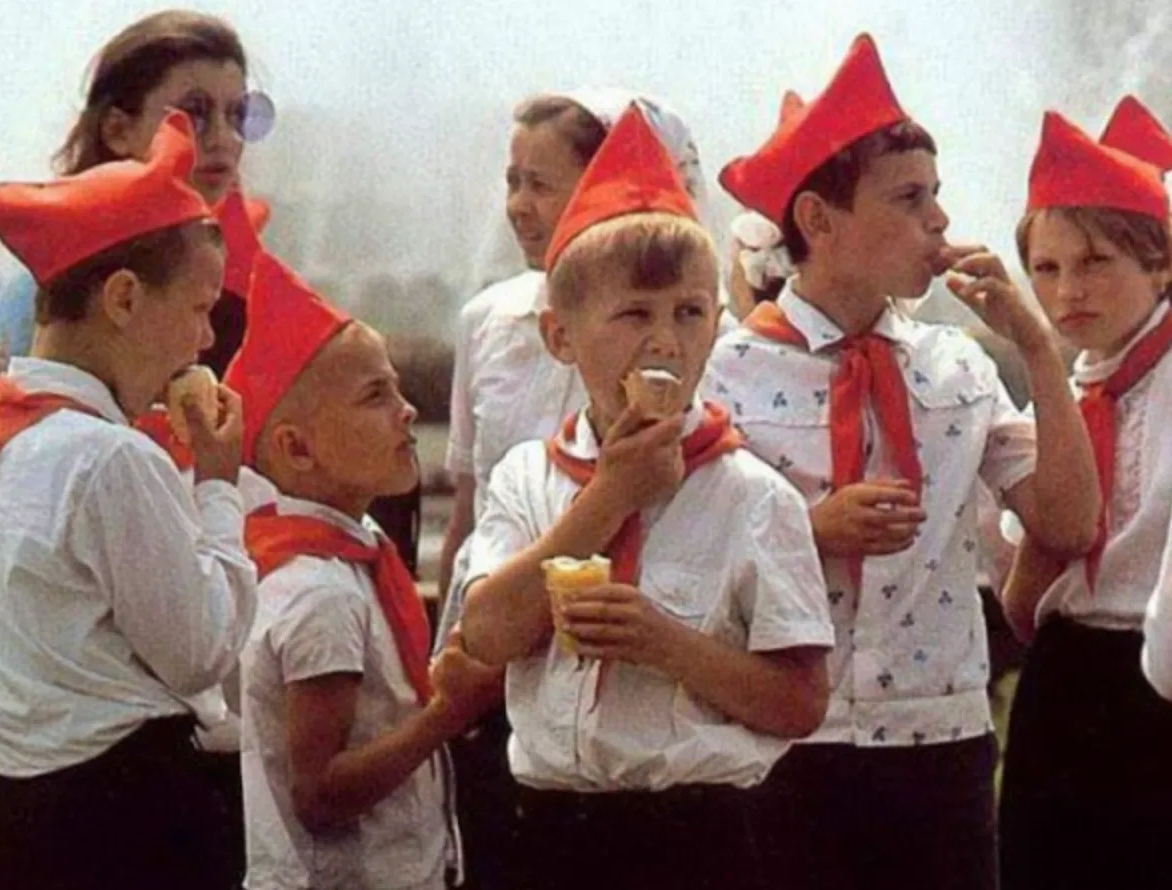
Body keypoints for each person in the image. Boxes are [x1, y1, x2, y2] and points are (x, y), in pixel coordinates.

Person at [704, 33, 1100, 890]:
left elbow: (1069, 521)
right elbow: (681, 559)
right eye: (909, 197)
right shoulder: (726, 374)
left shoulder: (955, 367)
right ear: (818, 220)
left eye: (937, 195)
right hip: (781, 739)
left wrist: (1034, 343)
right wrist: (804, 529)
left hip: (939, 741)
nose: (940, 221)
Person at [460, 104, 834, 890]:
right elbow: (488, 633)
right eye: (634, 313)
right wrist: (609, 498)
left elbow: (800, 701)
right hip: (548, 827)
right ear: (560, 337)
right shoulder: (528, 478)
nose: (665, 340)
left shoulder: (753, 496)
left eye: (689, 313)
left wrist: (666, 644)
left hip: (697, 835)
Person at [436, 86, 712, 889]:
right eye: (512, 181)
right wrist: (447, 643)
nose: (519, 207)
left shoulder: (693, 337)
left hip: (629, 681)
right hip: (495, 657)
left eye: (541, 184)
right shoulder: (488, 322)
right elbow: (469, 503)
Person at [0, 112, 258, 890]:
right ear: (124, 298)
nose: (205, 341)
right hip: (126, 816)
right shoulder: (109, 458)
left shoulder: (8, 435)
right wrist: (218, 485)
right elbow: (201, 648)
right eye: (200, 308)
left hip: (19, 809)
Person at [226, 249, 500, 890]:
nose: (407, 410)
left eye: (398, 388)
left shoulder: (351, 547)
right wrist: (449, 713)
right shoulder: (318, 591)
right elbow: (321, 794)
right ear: (297, 448)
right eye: (376, 396)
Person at [996, 98, 1172, 890]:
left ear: (1161, 263)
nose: (1069, 291)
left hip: (1157, 674)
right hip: (1066, 679)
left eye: (1096, 262)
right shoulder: (1069, 393)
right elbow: (1023, 583)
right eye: (1047, 269)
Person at [0, 9, 275, 377]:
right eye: (194, 113)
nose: (223, 138)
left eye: (239, 115)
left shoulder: (236, 285)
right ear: (118, 131)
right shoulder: (53, 284)